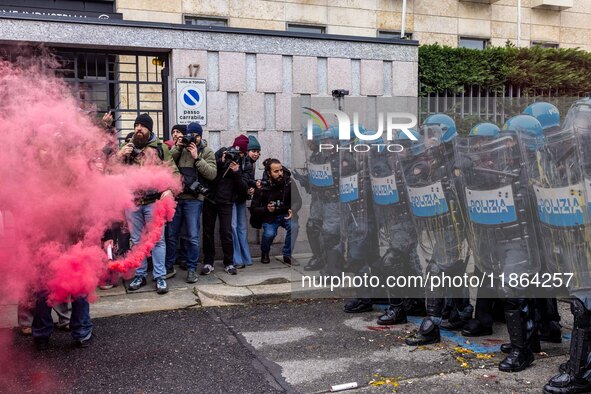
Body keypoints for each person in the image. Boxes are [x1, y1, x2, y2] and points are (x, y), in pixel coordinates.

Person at [116, 113, 179, 294]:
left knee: (158, 241)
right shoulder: (127, 147)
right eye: (136, 126)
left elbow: (173, 171)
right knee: (136, 241)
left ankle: (160, 277)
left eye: (142, 126)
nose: (138, 129)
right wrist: (120, 155)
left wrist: (171, 190)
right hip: (132, 204)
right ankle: (140, 275)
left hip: (154, 202)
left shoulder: (160, 147)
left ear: (149, 129)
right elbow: (112, 171)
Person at [165, 122, 216, 283]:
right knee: (172, 235)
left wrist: (197, 158)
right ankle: (168, 267)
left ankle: (192, 269)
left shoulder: (206, 151)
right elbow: (167, 164)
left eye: (194, 136)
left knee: (192, 236)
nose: (191, 139)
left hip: (194, 200)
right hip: (177, 197)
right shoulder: (180, 148)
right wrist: (178, 147)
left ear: (200, 136)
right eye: (189, 135)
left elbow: (212, 174)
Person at [202, 135, 249, 275]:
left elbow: (243, 188)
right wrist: (221, 161)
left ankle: (229, 262)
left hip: (227, 202)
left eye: (240, 153)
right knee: (207, 232)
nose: (235, 155)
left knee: (226, 232)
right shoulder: (220, 153)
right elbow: (209, 174)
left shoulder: (245, 163)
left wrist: (236, 173)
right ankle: (208, 262)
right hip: (210, 199)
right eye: (235, 151)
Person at [250, 158, 301, 265]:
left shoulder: (289, 182)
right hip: (269, 216)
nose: (280, 173)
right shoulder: (262, 185)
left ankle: (287, 254)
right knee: (269, 233)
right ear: (269, 173)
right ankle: (265, 253)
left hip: (285, 213)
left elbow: (297, 200)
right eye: (276, 171)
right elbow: (254, 208)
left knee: (294, 226)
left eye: (281, 170)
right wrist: (266, 209)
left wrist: (293, 209)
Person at [232, 135, 260, 268]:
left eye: (258, 151)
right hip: (232, 198)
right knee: (234, 227)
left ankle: (244, 258)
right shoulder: (241, 160)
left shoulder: (250, 164)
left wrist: (251, 187)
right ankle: (239, 258)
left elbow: (247, 180)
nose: (256, 154)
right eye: (253, 151)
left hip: (240, 198)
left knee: (241, 228)